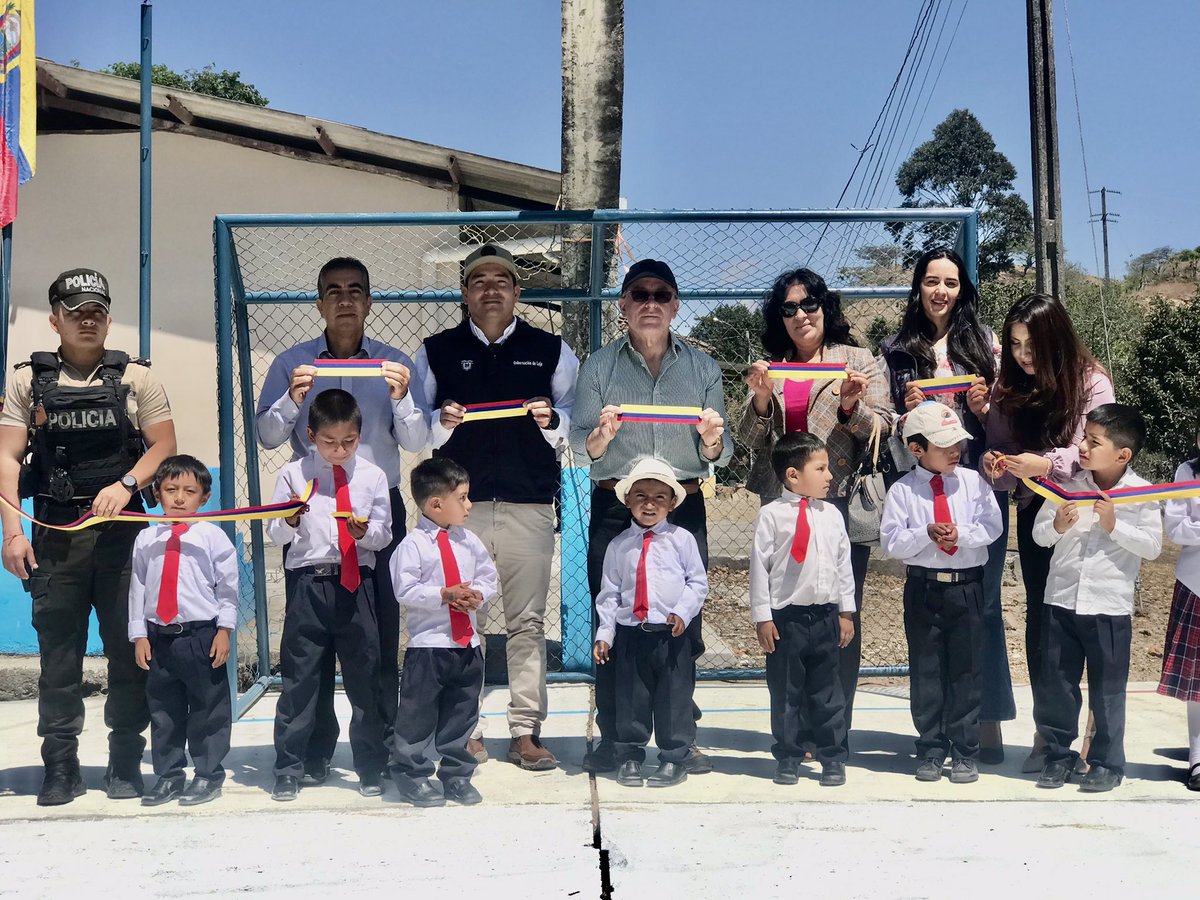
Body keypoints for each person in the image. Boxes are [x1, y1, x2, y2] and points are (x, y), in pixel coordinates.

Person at [0, 268, 177, 806]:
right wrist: (13, 532)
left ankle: (125, 759)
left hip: (123, 537)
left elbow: (163, 447)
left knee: (128, 652)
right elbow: (7, 458)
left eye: (97, 311)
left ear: (108, 316)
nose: (87, 320)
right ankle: (61, 765)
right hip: (56, 533)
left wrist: (127, 485)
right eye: (75, 312)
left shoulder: (136, 378)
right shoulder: (29, 380)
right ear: (55, 319)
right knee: (59, 655)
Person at [256, 256, 428, 785]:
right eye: (333, 291)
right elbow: (266, 435)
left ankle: (378, 752)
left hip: (375, 509)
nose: (345, 299)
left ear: (370, 301)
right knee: (311, 643)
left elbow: (418, 441)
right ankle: (310, 754)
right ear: (319, 302)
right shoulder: (291, 362)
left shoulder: (396, 363)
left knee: (374, 637)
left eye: (356, 290)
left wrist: (401, 399)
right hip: (308, 511)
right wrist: (290, 399)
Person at [413, 243, 577, 771]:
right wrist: (444, 420)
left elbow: (572, 420)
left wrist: (552, 421)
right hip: (464, 511)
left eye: (500, 281)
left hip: (529, 504)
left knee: (527, 621)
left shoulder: (550, 348)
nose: (490, 289)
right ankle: (468, 728)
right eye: (478, 281)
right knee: (468, 617)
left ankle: (526, 730)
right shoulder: (436, 350)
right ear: (464, 292)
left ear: (517, 292)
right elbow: (416, 427)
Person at [569, 258, 732, 774]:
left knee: (683, 624)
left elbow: (719, 453)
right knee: (616, 618)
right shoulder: (599, 366)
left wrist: (712, 441)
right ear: (622, 304)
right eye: (639, 294)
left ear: (676, 304)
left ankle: (681, 740)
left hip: (682, 506)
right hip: (618, 506)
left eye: (661, 295)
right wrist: (600, 438)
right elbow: (579, 443)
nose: (650, 304)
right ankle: (618, 739)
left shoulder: (704, 369)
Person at [740, 267, 890, 744]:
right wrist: (761, 402)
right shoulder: (772, 366)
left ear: (825, 307)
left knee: (838, 615)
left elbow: (883, 430)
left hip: (839, 502)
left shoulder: (859, 361)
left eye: (809, 305)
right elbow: (749, 439)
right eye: (788, 308)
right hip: (783, 509)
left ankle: (832, 731)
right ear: (778, 317)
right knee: (787, 619)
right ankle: (792, 731)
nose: (800, 315)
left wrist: (850, 407)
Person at [877, 247, 1013, 761]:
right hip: (924, 490)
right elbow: (885, 429)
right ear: (917, 287)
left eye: (951, 283)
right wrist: (902, 412)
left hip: (976, 489)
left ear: (963, 290)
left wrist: (986, 407)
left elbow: (1003, 421)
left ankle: (987, 720)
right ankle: (934, 733)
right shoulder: (896, 350)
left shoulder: (985, 346)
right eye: (931, 281)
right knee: (935, 621)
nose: (941, 291)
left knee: (988, 607)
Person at [980, 293, 1115, 772]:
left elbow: (1096, 448)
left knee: (1095, 626)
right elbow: (998, 448)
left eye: (1032, 344)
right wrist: (997, 463)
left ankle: (1097, 743)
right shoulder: (1007, 385)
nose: (1023, 355)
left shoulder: (1092, 382)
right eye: (1015, 344)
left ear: (1056, 338)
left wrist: (1048, 462)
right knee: (1046, 624)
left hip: (1092, 515)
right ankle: (1049, 735)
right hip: (1040, 514)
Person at [266, 389, 392, 801]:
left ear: (360, 434)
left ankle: (371, 766)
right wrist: (287, 519)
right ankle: (292, 765)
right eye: (328, 442)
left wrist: (364, 533)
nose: (339, 450)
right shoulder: (293, 475)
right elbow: (275, 534)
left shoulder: (372, 477)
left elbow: (383, 534)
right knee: (301, 681)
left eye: (349, 442)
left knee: (364, 677)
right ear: (309, 435)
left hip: (356, 586)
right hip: (309, 585)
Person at [1030, 404, 1161, 792]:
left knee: (1107, 690)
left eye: (1093, 442)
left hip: (1108, 606)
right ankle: (1056, 756)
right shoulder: (1068, 486)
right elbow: (1039, 536)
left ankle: (1106, 762)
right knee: (1057, 685)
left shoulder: (1141, 494)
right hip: (1061, 601)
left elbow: (1153, 547)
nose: (1083, 448)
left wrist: (1114, 525)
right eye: (1083, 438)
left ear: (1123, 454)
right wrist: (1055, 524)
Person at [880, 403, 1003, 784]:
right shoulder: (903, 490)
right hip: (924, 589)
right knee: (927, 670)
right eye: (944, 444)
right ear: (916, 448)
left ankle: (965, 751)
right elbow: (892, 542)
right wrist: (925, 533)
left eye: (958, 443)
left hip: (966, 588)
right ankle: (931, 748)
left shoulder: (973, 483)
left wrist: (961, 534)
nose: (956, 451)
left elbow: (992, 526)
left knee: (966, 671)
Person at [128, 455, 237, 807]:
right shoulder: (146, 538)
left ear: (204, 497)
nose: (178, 498)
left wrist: (225, 629)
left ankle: (208, 775)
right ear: (156, 492)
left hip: (201, 636)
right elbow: (138, 587)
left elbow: (227, 589)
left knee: (209, 709)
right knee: (164, 712)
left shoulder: (213, 537)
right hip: (160, 639)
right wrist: (139, 634)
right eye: (170, 489)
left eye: (189, 491)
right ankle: (169, 775)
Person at [592, 457, 708, 788]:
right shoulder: (618, 546)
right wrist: (606, 635)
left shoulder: (682, 540)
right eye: (640, 495)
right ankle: (630, 756)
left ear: (672, 503)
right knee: (631, 699)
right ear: (627, 500)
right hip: (631, 636)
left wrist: (683, 612)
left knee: (674, 700)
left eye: (659, 497)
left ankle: (674, 757)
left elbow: (697, 582)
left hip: (671, 636)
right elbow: (609, 595)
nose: (649, 504)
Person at [389, 458, 497, 808]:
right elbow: (404, 589)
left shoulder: (470, 541)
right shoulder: (413, 545)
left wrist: (476, 594)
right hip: (430, 648)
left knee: (461, 713)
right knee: (417, 715)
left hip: (467, 645)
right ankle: (411, 773)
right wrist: (443, 595)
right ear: (436, 504)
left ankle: (456, 775)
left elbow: (487, 576)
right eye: (463, 498)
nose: (469, 505)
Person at [750, 432, 855, 788]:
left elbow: (844, 565)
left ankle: (832, 756)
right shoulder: (771, 516)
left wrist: (846, 612)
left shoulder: (833, 516)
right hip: (786, 620)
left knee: (828, 692)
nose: (829, 476)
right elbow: (759, 569)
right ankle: (789, 756)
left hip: (825, 616)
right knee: (786, 692)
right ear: (793, 475)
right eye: (821, 468)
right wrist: (763, 616)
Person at [1158, 414, 1200, 792]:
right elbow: (1175, 527)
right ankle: (1197, 758)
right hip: (1196, 581)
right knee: (1199, 683)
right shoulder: (1187, 472)